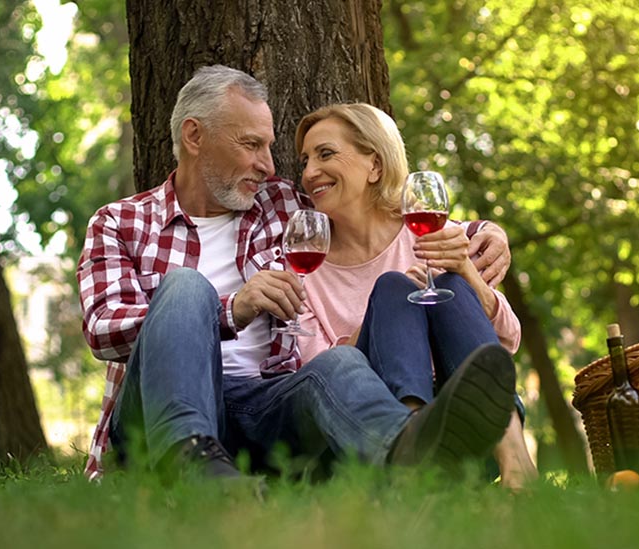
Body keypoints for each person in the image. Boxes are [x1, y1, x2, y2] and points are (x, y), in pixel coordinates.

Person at [77, 65, 519, 484]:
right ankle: (192, 465)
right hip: (157, 414)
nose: (269, 165)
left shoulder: (284, 205)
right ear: (195, 136)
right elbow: (101, 330)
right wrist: (232, 309)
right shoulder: (122, 223)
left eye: (269, 147)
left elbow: (373, 210)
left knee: (340, 361)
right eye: (251, 145)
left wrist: (486, 233)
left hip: (268, 404)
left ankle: (410, 452)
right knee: (186, 288)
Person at [294, 103, 538, 490]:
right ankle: (412, 447)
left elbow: (507, 339)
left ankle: (514, 457)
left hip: (469, 421)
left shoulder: (428, 231)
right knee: (394, 289)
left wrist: (467, 272)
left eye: (325, 154)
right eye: (305, 160)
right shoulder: (305, 269)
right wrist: (389, 314)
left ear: (375, 165)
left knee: (453, 285)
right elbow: (321, 377)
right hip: (370, 434)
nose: (309, 173)